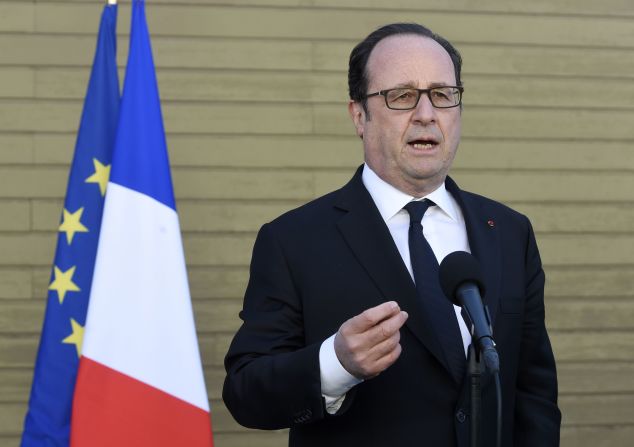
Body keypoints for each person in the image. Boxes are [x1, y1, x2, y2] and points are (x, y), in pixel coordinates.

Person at [223, 23, 561, 446]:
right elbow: (245, 391)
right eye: (401, 96)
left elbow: (534, 394)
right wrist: (336, 363)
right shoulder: (294, 240)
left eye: (442, 95)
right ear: (359, 116)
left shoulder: (509, 232)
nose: (426, 114)